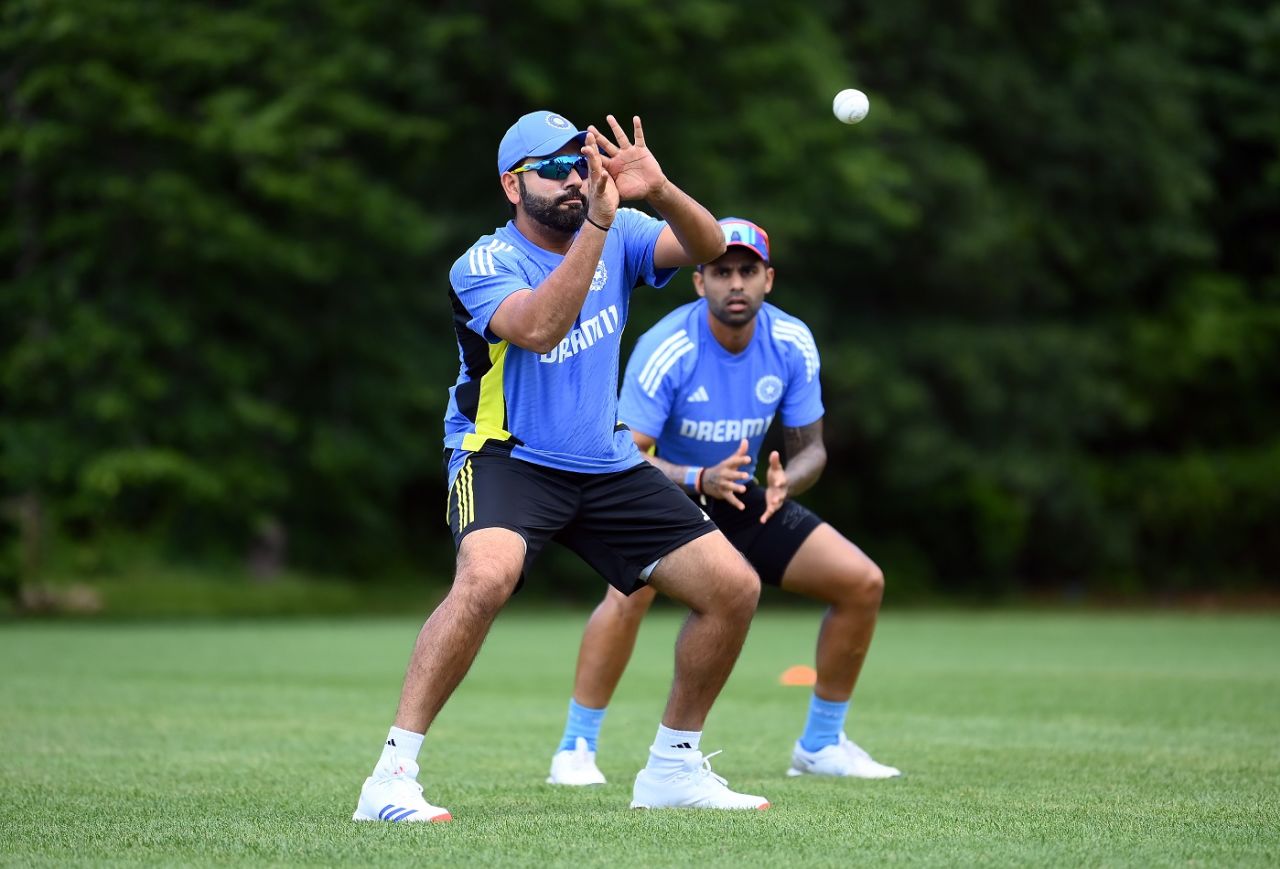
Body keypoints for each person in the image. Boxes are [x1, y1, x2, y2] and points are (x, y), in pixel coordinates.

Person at [352, 112, 772, 822]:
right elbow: (543, 329)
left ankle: (672, 765)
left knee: (733, 587)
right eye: (553, 168)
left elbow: (709, 245)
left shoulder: (622, 228)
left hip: (601, 459)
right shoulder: (482, 264)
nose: (575, 177)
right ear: (512, 185)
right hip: (505, 455)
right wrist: (602, 229)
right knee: (486, 578)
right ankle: (390, 777)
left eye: (580, 162)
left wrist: (661, 190)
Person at [547, 217, 900, 787]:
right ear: (698, 282)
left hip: (740, 495)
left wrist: (790, 483)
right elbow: (623, 454)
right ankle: (575, 749)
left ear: (769, 279)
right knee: (626, 598)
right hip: (663, 495)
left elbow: (811, 449)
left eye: (747, 271)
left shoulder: (791, 341)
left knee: (861, 582)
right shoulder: (667, 346)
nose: (735, 283)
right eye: (721, 271)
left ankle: (821, 744)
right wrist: (696, 476)